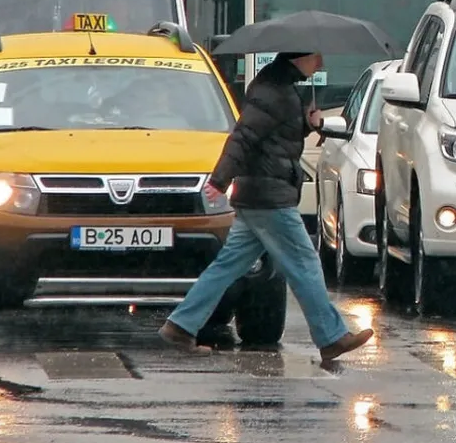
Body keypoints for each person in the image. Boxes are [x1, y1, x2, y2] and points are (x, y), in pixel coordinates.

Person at [159, 51, 374, 361]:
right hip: (268, 196)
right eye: (317, 58)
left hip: (260, 193)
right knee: (305, 264)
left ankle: (180, 326)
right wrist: (219, 179)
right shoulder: (274, 92)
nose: (321, 65)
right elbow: (243, 137)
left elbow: (273, 137)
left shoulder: (279, 89)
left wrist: (309, 124)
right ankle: (331, 337)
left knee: (228, 266)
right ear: (300, 57)